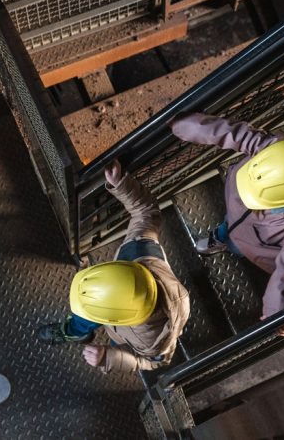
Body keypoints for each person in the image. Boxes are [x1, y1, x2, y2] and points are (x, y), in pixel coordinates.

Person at [170, 113, 284, 337]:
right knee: (229, 225)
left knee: (237, 242)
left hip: (252, 237)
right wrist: (184, 125)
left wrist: (275, 313)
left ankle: (226, 241)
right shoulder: (280, 153)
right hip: (238, 213)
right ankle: (222, 236)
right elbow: (233, 132)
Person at [38, 160, 190, 374]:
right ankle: (75, 331)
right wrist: (121, 184)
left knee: (90, 317)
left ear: (113, 319)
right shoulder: (141, 247)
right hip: (116, 313)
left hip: (122, 335)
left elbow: (153, 362)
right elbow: (146, 212)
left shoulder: (155, 339)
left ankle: (76, 330)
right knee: (86, 312)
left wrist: (110, 358)